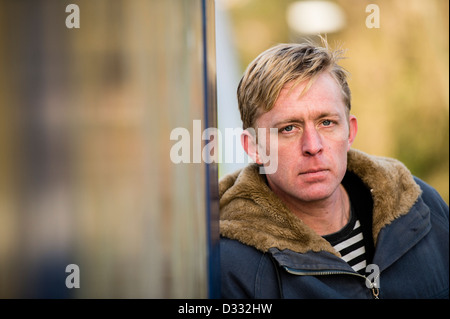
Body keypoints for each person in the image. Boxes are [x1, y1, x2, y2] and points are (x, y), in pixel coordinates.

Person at [219, 38, 449, 299]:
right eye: (288, 128)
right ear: (254, 147)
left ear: (350, 131)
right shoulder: (233, 266)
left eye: (326, 123)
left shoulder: (422, 206)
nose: (313, 146)